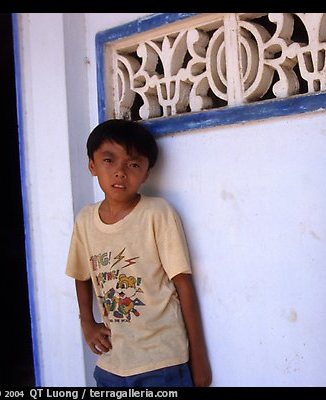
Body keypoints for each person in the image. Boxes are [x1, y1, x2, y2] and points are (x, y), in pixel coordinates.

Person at [65, 119, 212, 387]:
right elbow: (81, 275)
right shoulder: (85, 220)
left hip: (163, 362)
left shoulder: (157, 213)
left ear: (146, 173)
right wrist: (87, 322)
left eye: (133, 164)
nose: (120, 172)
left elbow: (183, 284)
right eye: (109, 160)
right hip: (112, 363)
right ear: (92, 165)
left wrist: (199, 357)